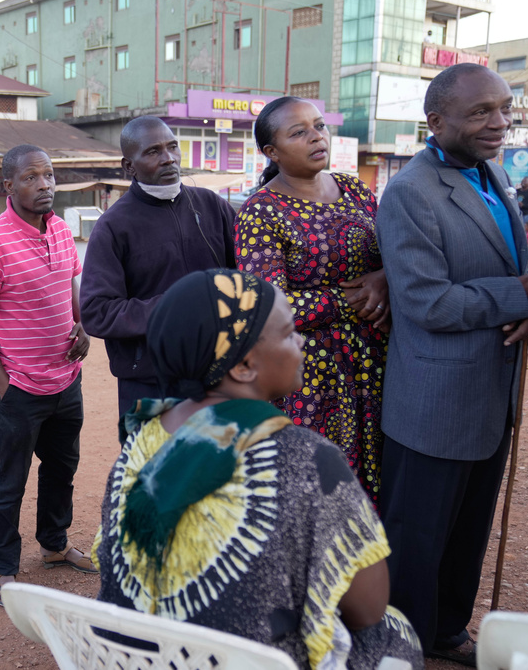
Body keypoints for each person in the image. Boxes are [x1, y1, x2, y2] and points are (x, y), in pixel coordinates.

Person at [92, 269, 423, 668]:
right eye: (288, 334)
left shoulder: (140, 440)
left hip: (137, 657)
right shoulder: (305, 459)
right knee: (392, 633)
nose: (300, 341)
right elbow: (368, 609)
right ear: (244, 365)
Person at [376, 63, 528, 663]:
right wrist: (525, 290)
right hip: (432, 402)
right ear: (437, 121)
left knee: (468, 531)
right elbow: (425, 300)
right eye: (481, 112)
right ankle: (404, 648)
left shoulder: (493, 174)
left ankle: (448, 632)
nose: (499, 122)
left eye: (505, 108)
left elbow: (512, 274)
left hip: (491, 392)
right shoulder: (409, 193)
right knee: (416, 541)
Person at [235, 97, 389, 505]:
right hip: (309, 377)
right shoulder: (261, 212)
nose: (316, 136)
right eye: (298, 132)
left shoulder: (355, 189)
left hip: (378, 365)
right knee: (317, 495)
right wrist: (349, 298)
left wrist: (385, 278)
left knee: (382, 489)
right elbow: (269, 308)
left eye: (319, 126)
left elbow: (395, 252)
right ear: (271, 151)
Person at [0, 144, 93, 606]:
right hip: (18, 387)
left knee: (62, 468)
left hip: (66, 378)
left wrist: (81, 325)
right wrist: (2, 382)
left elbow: (71, 283)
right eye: (31, 177)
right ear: (8, 186)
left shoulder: (60, 229)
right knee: (10, 481)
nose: (44, 185)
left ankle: (54, 545)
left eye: (49, 176)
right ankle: (3, 569)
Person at [81, 116, 237, 418]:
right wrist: (176, 307)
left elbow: (249, 278)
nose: (168, 159)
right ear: (129, 166)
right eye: (153, 152)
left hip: (220, 374)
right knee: (157, 465)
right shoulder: (113, 227)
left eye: (173, 147)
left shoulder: (212, 206)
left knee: (219, 463)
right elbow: (97, 312)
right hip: (151, 385)